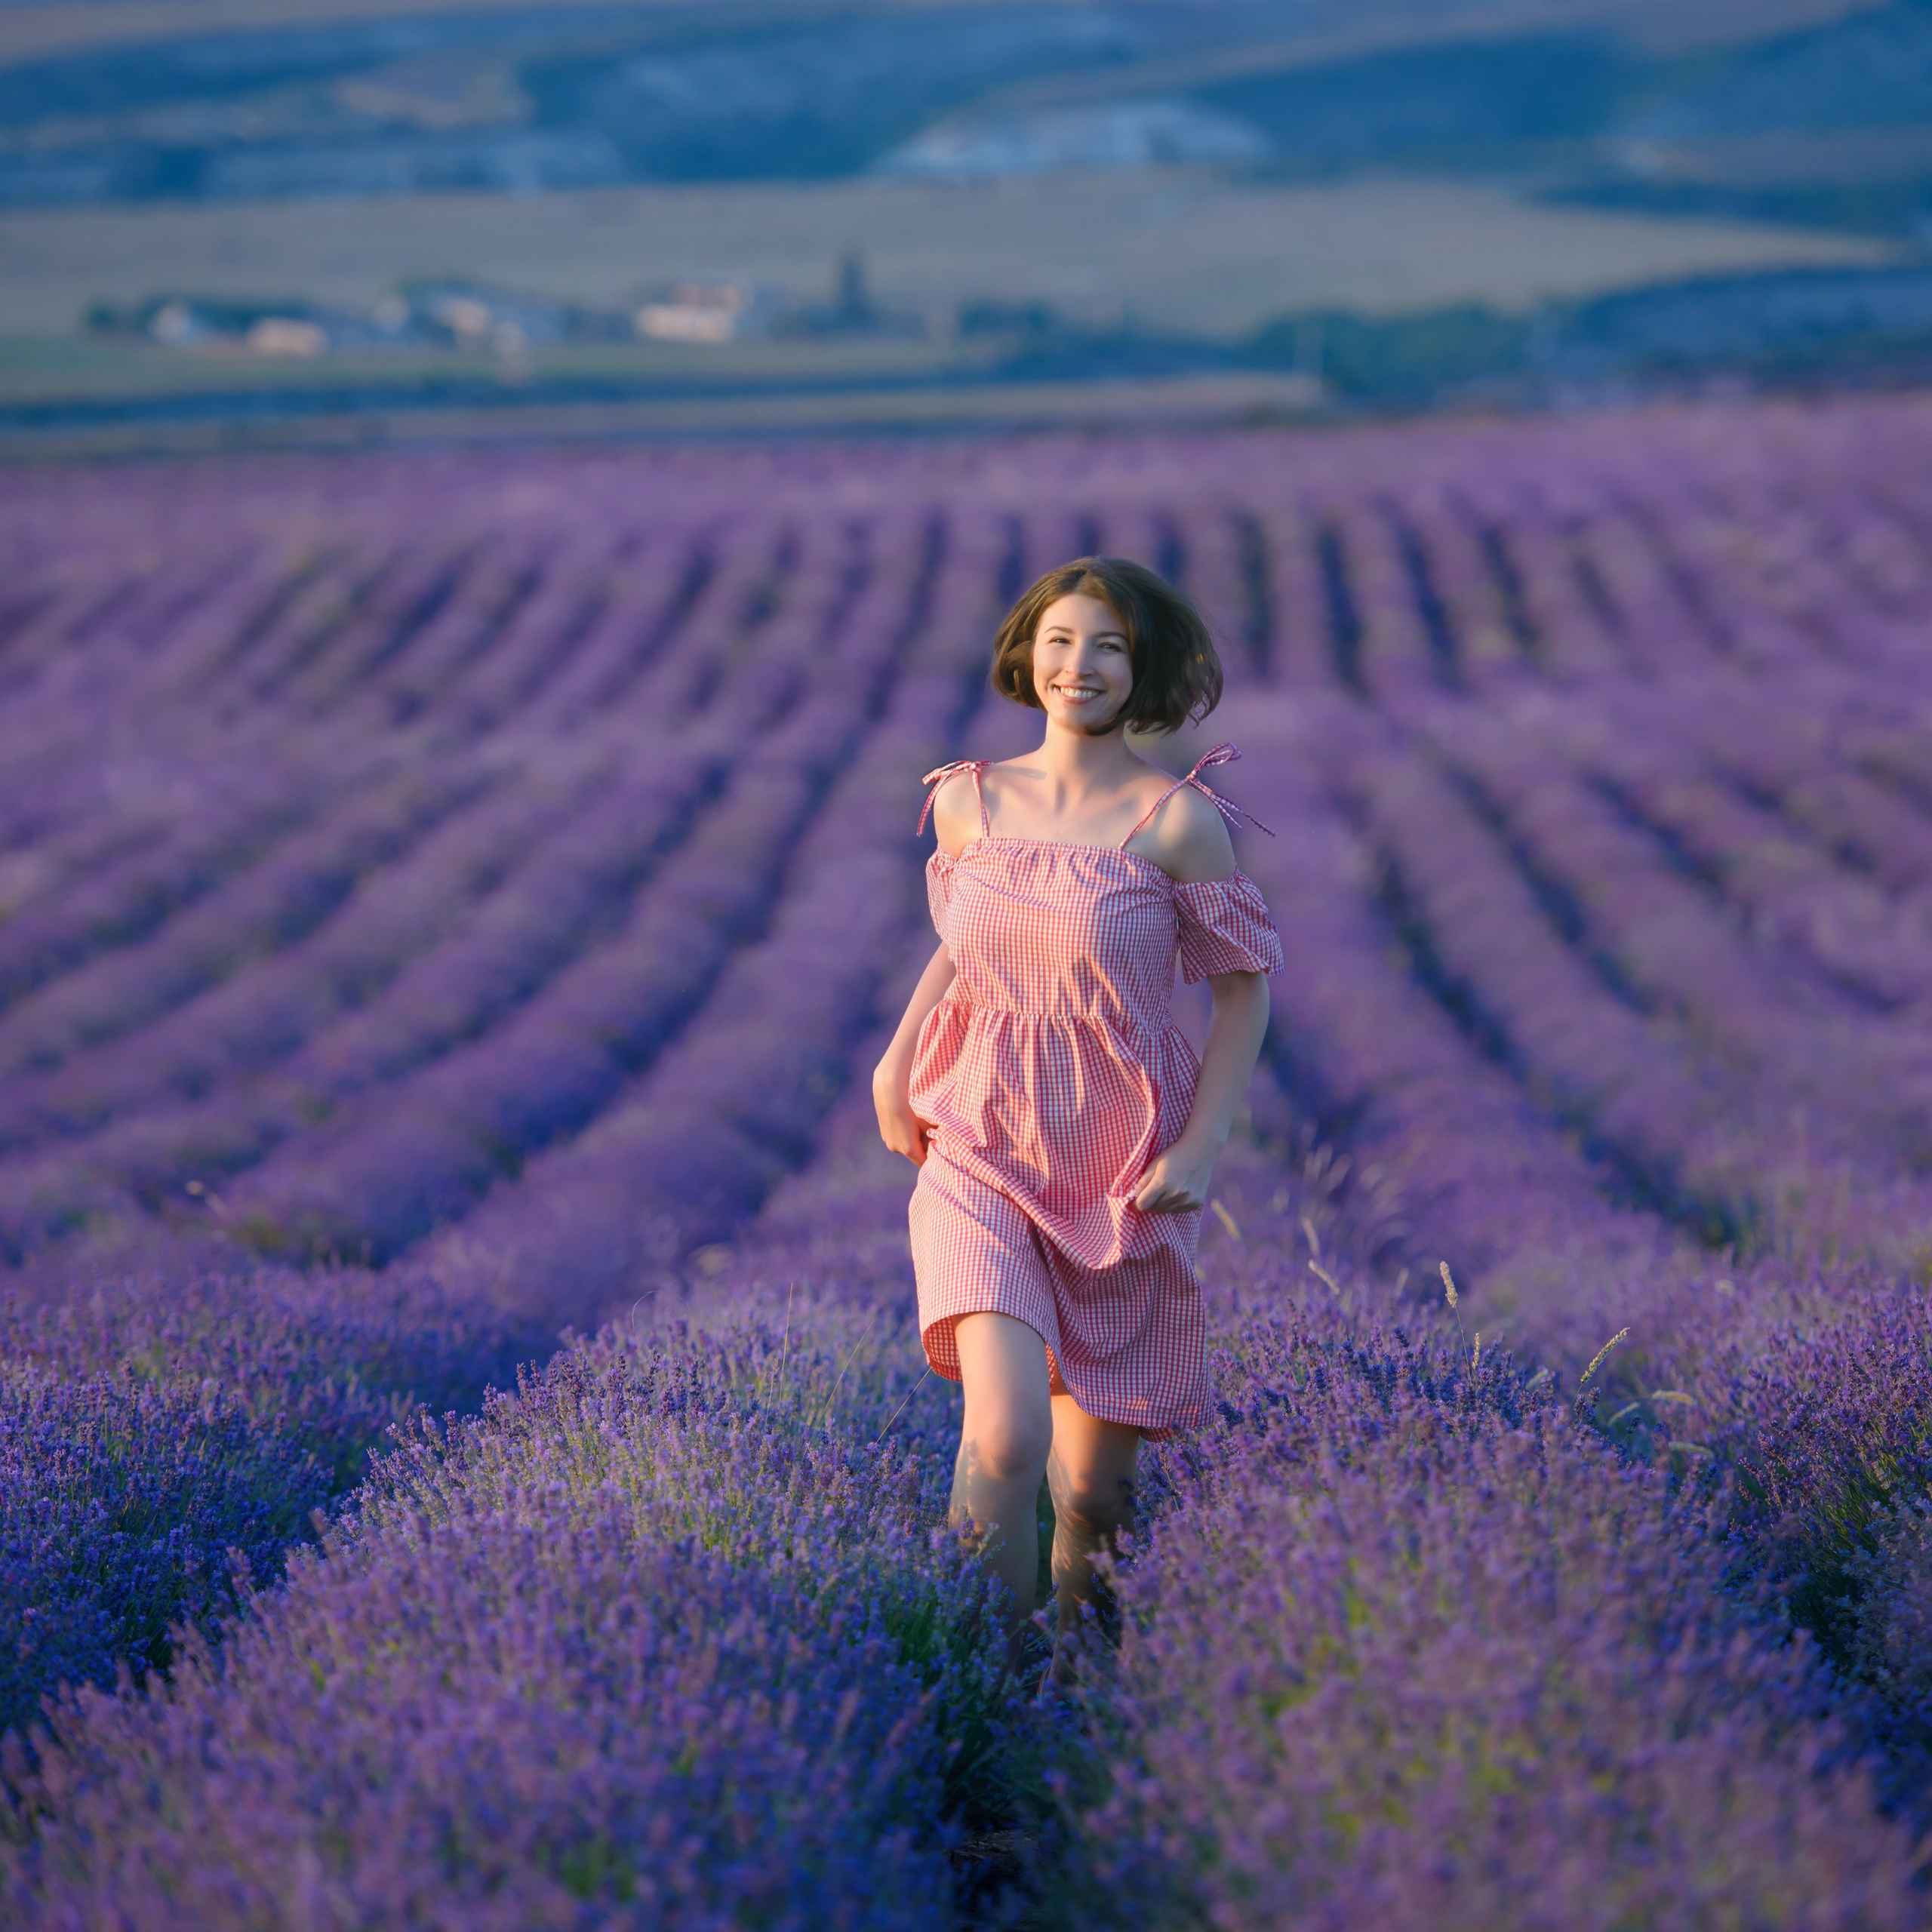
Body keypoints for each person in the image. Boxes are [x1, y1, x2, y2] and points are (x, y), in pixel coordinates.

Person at [872, 555, 1282, 1678]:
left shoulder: (1177, 821)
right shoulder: (967, 799)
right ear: (1027, 654)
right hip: (980, 1142)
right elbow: (967, 943)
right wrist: (897, 1058)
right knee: (1005, 1437)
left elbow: (1244, 992)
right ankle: (987, 1693)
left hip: (1118, 1163)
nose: (1079, 665)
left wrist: (1202, 1145)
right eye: (1059, 641)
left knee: (1096, 1493)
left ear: (1143, 667)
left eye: (1108, 646)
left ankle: (1083, 1680)